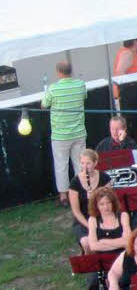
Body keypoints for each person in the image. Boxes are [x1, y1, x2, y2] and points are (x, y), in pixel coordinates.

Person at [83, 186, 131, 290]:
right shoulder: (93, 220)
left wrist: (103, 242)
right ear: (96, 206)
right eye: (102, 204)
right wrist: (116, 242)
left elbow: (128, 242)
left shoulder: (123, 216)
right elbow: (93, 246)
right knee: (93, 281)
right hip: (101, 259)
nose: (106, 207)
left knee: (123, 279)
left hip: (121, 258)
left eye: (108, 203)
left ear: (113, 203)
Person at [42, 60, 87, 206]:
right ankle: (81, 192)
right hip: (79, 132)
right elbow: (84, 98)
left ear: (58, 72)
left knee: (61, 165)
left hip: (60, 135)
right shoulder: (80, 85)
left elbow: (44, 105)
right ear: (71, 71)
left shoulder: (53, 89)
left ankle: (63, 197)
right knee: (80, 164)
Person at [69, 149, 112, 251]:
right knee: (87, 243)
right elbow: (76, 211)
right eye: (82, 163)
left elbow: (110, 203)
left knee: (104, 242)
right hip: (83, 220)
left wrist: (95, 197)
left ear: (95, 163)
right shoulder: (75, 182)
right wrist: (89, 226)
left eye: (88, 163)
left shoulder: (105, 178)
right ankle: (89, 264)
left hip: (102, 217)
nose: (85, 167)